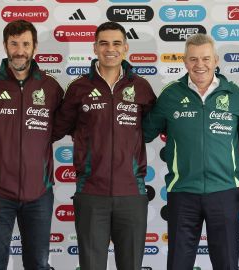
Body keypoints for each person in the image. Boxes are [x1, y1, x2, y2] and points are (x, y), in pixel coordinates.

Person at [142, 33, 239, 270]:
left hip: (224, 191)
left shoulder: (234, 94)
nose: (200, 65)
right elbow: (142, 133)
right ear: (184, 62)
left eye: (205, 58)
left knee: (226, 264)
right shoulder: (171, 95)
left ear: (215, 60)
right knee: (178, 263)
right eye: (193, 59)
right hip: (182, 192)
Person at [0, 20, 64, 269]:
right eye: (14, 44)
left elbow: (64, 127)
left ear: (34, 47)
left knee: (38, 264)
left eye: (25, 44)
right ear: (5, 45)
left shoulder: (50, 87)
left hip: (39, 194)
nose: (20, 50)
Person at [52, 21, 156, 270]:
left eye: (116, 43)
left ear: (126, 48)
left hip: (132, 193)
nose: (111, 49)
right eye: (104, 43)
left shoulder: (141, 87)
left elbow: (152, 129)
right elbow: (54, 129)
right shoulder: (78, 88)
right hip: (91, 194)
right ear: (95, 48)